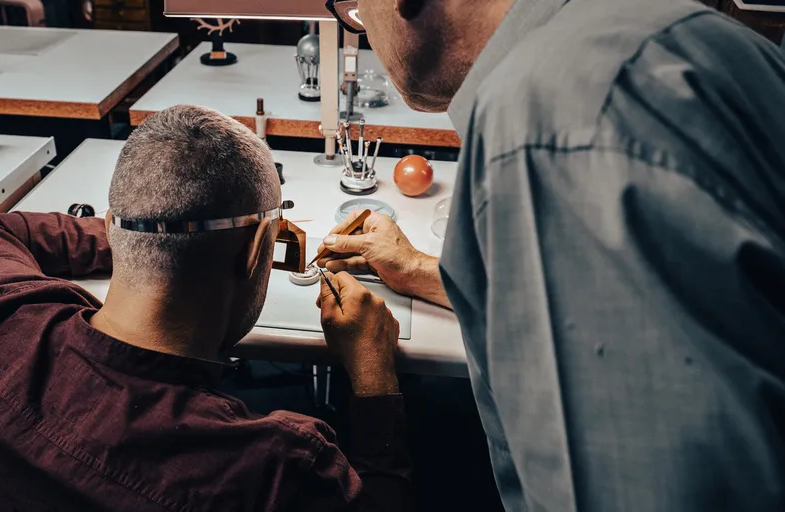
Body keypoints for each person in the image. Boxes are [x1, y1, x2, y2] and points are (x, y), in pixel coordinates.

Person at [320, 0, 785, 509]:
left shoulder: (544, 118)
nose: (364, 29)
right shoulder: (668, 34)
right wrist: (419, 271)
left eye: (359, 8)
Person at [0, 105, 411, 511]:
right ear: (255, 253)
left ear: (111, 228)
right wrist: (375, 381)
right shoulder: (272, 467)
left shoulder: (4, 322)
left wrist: (145, 235)